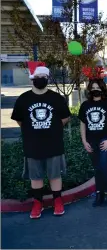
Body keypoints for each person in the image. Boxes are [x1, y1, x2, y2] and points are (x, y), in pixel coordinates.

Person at [11, 66, 71, 219]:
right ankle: (38, 203)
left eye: (44, 76)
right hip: (32, 145)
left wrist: (52, 129)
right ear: (32, 78)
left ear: (48, 79)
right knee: (35, 177)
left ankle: (57, 200)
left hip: (54, 144)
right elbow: (19, 120)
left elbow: (65, 118)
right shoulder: (23, 99)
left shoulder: (57, 98)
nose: (41, 79)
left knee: (55, 175)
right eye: (38, 76)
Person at [78, 78, 107, 207]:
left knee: (103, 167)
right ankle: (98, 194)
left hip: (105, 140)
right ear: (89, 89)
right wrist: (84, 141)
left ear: (103, 89)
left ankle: (106, 193)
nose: (95, 90)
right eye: (93, 88)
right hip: (91, 141)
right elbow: (82, 124)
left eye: (98, 88)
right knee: (97, 169)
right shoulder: (85, 105)